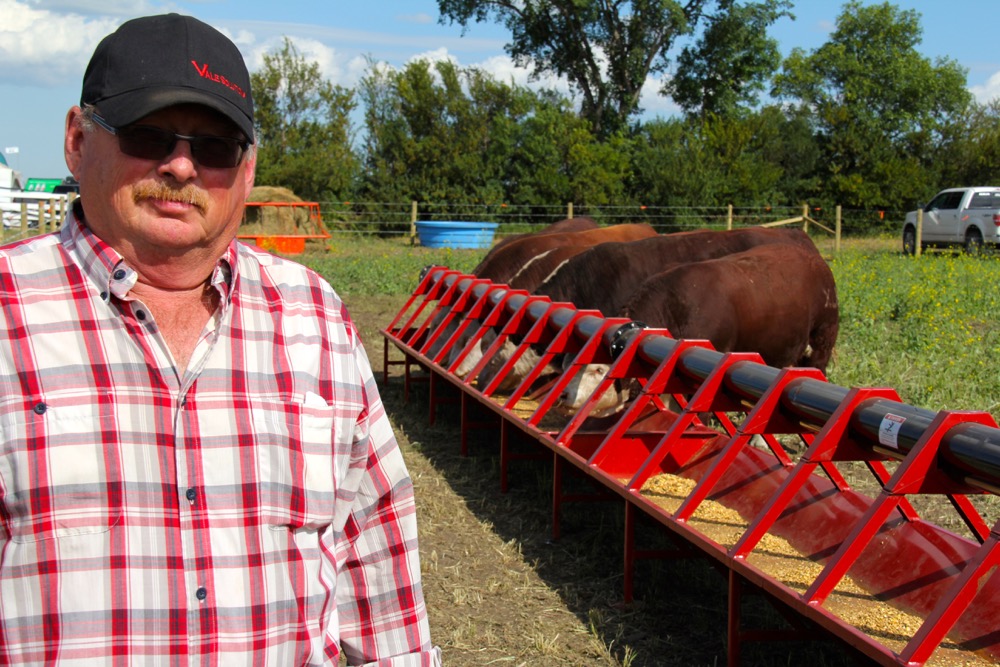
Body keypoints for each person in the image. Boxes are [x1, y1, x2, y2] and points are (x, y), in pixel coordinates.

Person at [0, 13, 440, 666]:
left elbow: (374, 549)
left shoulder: (313, 317)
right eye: (148, 134)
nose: (181, 165)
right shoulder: (8, 313)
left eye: (215, 148)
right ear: (77, 140)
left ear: (247, 167)